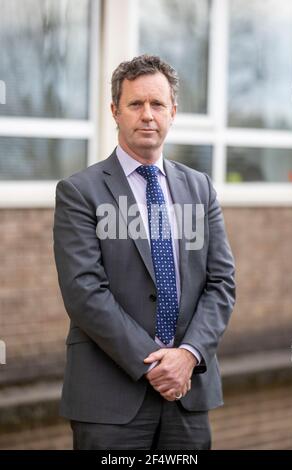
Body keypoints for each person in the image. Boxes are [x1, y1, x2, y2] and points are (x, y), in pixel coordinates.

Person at [53, 54, 235, 450]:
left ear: (173, 111)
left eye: (157, 104)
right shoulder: (80, 192)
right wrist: (155, 362)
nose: (147, 115)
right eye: (135, 104)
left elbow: (222, 283)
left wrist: (187, 355)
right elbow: (84, 292)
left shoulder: (200, 188)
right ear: (115, 111)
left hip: (188, 394)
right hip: (110, 399)